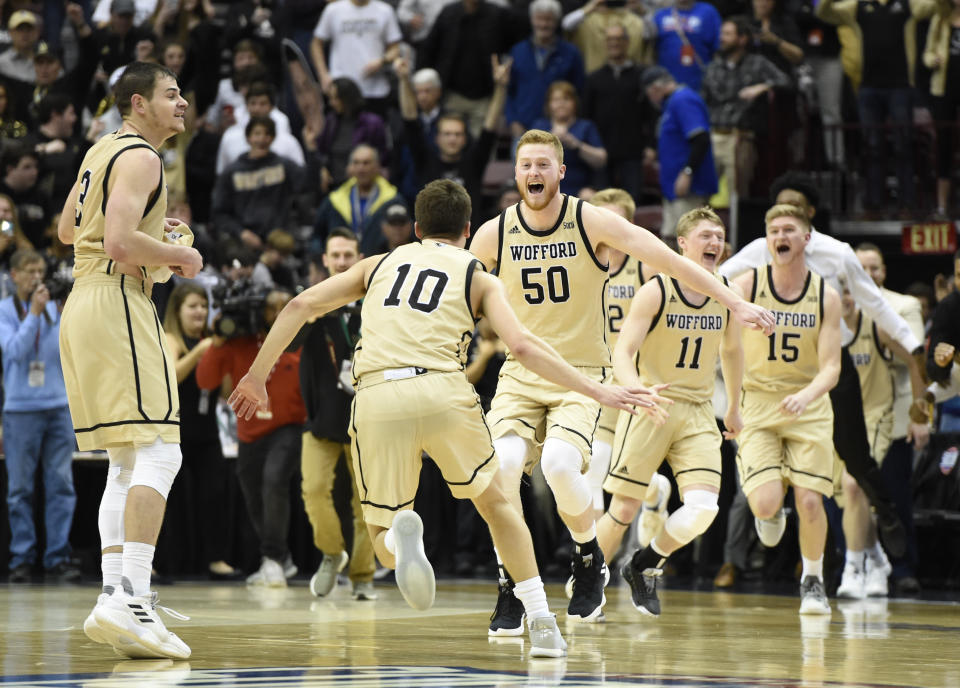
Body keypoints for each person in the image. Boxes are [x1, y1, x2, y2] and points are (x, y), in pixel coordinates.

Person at [228, 179, 657, 657]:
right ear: (468, 229)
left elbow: (300, 305)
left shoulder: (377, 264)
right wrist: (596, 388)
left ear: (414, 228)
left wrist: (256, 374)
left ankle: (401, 539)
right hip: (442, 388)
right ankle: (540, 622)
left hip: (376, 394)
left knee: (381, 537)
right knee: (499, 504)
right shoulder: (477, 272)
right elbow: (521, 347)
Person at [468, 129, 774, 634]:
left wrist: (734, 301)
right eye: (526, 166)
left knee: (562, 465)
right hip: (521, 375)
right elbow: (459, 295)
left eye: (544, 165)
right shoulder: (493, 233)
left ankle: (588, 556)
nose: (534, 174)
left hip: (582, 374)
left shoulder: (590, 221)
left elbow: (671, 261)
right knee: (500, 470)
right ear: (516, 173)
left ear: (562, 172)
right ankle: (512, 585)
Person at [58, 61, 202, 660]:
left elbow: (69, 229)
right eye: (171, 95)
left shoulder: (99, 151)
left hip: (82, 302)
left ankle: (115, 599)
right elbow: (117, 244)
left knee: (125, 459)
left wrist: (148, 228)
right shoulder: (143, 157)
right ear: (138, 103)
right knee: (160, 450)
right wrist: (177, 253)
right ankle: (133, 598)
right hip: (118, 301)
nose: (182, 104)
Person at [718, 171, 921, 558]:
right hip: (770, 366)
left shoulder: (837, 253)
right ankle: (775, 515)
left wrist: (914, 347)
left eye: (793, 210)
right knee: (770, 463)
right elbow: (715, 280)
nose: (783, 221)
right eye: (778, 211)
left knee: (853, 450)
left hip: (826, 364)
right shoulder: (760, 249)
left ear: (808, 217)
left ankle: (885, 511)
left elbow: (875, 302)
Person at [599, 206, 743, 617]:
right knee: (623, 510)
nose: (715, 242)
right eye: (705, 235)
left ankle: (644, 563)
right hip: (652, 404)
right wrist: (635, 386)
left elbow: (732, 352)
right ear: (682, 244)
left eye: (719, 235)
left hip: (698, 409)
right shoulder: (656, 290)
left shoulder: (726, 291)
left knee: (704, 509)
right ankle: (588, 576)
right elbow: (622, 351)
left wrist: (734, 406)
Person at [731, 203, 841, 615]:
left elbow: (832, 367)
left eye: (790, 229)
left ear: (806, 239)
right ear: (766, 240)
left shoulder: (825, 295)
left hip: (806, 403)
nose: (781, 235)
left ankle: (812, 579)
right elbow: (724, 342)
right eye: (774, 229)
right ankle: (770, 513)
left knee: (812, 501)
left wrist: (807, 396)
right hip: (757, 402)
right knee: (764, 504)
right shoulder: (745, 286)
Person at [195, 290, 306, 588]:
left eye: (285, 305)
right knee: (254, 496)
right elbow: (205, 381)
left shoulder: (298, 340)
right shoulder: (238, 341)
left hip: (289, 428)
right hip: (248, 433)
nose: (280, 311)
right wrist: (217, 344)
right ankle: (281, 559)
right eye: (272, 307)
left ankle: (271, 558)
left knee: (274, 481)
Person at [299, 229, 376, 601]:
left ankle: (363, 575)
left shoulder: (376, 301)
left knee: (366, 503)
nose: (343, 261)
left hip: (367, 419)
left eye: (349, 255)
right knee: (313, 489)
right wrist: (308, 317)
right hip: (321, 418)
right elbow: (289, 343)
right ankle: (332, 553)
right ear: (325, 261)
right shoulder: (314, 302)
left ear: (359, 257)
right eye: (336, 255)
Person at [0, 248, 78, 584]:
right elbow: (15, 353)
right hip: (20, 410)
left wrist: (63, 312)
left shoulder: (55, 309)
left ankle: (57, 556)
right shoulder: (4, 311)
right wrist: (33, 313)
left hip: (58, 406)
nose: (36, 277)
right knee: (19, 489)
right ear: (14, 275)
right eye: (29, 271)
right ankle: (22, 557)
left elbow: (71, 350)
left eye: (40, 271)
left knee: (61, 485)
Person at [161, 282, 236, 580]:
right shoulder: (171, 338)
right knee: (171, 501)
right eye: (192, 306)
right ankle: (165, 562)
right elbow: (171, 376)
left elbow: (226, 392)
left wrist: (222, 355)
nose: (199, 312)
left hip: (206, 432)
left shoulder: (210, 341)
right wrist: (201, 352)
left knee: (214, 496)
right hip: (174, 433)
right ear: (177, 310)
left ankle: (215, 559)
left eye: (203, 306)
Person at [588, 188, 649, 518]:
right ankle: (593, 552)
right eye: (604, 219)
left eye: (618, 219)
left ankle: (597, 553)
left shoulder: (646, 268)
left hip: (637, 375)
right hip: (594, 374)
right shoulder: (577, 263)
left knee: (625, 473)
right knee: (593, 464)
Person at [643, 66, 718, 238]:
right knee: (671, 236)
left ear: (655, 88)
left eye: (649, 95)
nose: (651, 100)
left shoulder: (683, 100)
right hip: (674, 188)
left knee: (688, 238)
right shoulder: (671, 103)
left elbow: (700, 139)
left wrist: (687, 172)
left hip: (688, 188)